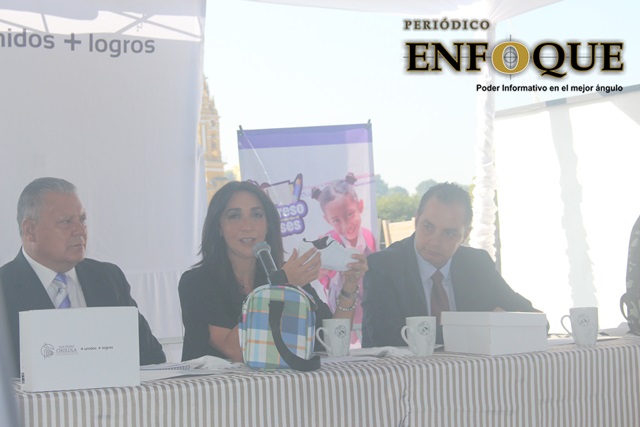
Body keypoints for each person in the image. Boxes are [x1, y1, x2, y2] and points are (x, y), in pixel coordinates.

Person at [179, 181, 367, 362]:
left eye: (257, 215)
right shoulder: (197, 282)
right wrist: (282, 286)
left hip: (284, 384)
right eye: (234, 216)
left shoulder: (286, 273)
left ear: (268, 225)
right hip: (220, 385)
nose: (247, 226)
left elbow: (331, 342)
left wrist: (349, 286)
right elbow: (237, 351)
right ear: (219, 227)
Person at [0, 177, 166, 376]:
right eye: (66, 222)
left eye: (82, 220)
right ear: (30, 230)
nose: (80, 230)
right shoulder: (5, 288)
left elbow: (151, 358)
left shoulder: (108, 278)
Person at [362, 182, 539, 347]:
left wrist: (504, 322)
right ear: (416, 220)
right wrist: (479, 328)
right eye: (428, 227)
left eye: (449, 233)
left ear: (465, 235)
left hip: (471, 370)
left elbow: (537, 321)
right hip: (403, 371)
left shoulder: (478, 265)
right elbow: (384, 337)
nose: (435, 241)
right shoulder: (384, 266)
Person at [311, 173, 376, 344]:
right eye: (336, 220)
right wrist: (321, 273)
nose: (346, 225)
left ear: (360, 206)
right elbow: (323, 280)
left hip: (369, 315)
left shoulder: (369, 237)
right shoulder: (327, 243)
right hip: (342, 316)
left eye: (349, 214)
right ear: (327, 220)